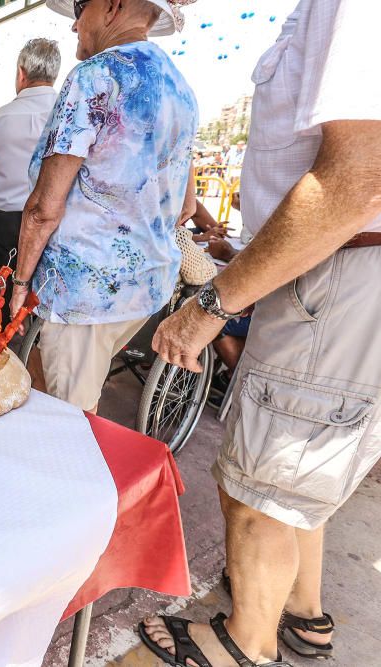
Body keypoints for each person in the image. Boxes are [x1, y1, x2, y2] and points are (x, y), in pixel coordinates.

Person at [142, 3, 381, 665]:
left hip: (333, 271)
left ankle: (245, 642)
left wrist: (211, 304)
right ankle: (302, 614)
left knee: (260, 484)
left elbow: (358, 179)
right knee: (296, 477)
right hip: (327, 273)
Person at [11, 0, 198, 413]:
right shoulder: (181, 88)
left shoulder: (96, 76)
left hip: (87, 292)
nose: (76, 24)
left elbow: (45, 205)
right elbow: (187, 204)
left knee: (69, 421)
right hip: (147, 285)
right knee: (64, 386)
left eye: (81, 7)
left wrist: (21, 282)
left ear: (112, 5)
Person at [0, 37, 60, 322]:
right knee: (50, 315)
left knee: (2, 312)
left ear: (21, 73)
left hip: (8, 228)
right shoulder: (69, 116)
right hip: (59, 227)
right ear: (54, 74)